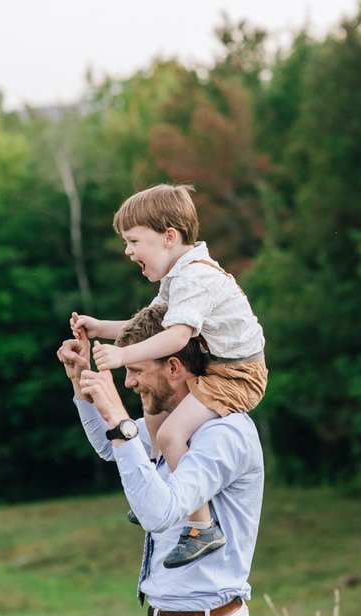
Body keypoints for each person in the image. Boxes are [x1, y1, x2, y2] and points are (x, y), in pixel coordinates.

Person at [70, 183, 267, 568]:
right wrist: (100, 328)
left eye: (133, 240)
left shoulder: (195, 277)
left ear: (169, 237)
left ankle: (201, 527)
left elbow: (177, 335)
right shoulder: (176, 278)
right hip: (217, 367)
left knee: (173, 433)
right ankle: (159, 491)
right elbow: (149, 326)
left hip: (237, 375)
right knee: (155, 417)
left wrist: (123, 353)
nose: (127, 251)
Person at [57, 305, 264, 616]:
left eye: (136, 370)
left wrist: (119, 417)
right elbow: (113, 446)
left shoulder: (222, 434)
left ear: (173, 367)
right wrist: (81, 382)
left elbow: (158, 513)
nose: (129, 382)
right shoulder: (173, 428)